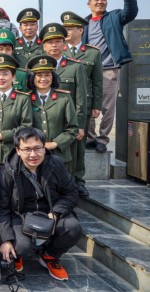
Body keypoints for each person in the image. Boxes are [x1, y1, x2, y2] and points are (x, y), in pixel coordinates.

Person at [0, 127, 82, 281]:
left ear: (44, 147)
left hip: (49, 213)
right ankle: (19, 254)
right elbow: (2, 208)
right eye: (27, 149)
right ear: (18, 150)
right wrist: (6, 240)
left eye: (38, 148)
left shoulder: (55, 164)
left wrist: (55, 213)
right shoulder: (8, 171)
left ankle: (49, 256)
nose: (33, 154)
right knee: (21, 247)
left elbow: (71, 192)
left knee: (73, 228)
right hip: (20, 216)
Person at [85, 0, 138, 154]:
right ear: (89, 4)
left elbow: (130, 12)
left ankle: (102, 139)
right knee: (88, 105)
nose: (101, 2)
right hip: (88, 72)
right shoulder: (83, 24)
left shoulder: (114, 17)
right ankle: (90, 138)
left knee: (107, 107)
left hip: (108, 69)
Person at [40, 23, 88, 184]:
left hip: (69, 121)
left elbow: (81, 98)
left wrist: (80, 125)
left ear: (64, 43)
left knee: (70, 157)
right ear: (44, 45)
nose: (54, 45)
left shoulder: (75, 67)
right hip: (45, 119)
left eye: (58, 41)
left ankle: (74, 184)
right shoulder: (34, 67)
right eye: (50, 42)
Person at [63, 11, 103, 196]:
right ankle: (63, 178)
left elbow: (97, 81)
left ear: (81, 30)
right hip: (60, 106)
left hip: (82, 106)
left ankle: (78, 180)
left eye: (70, 28)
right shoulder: (58, 51)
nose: (67, 31)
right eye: (65, 28)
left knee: (79, 144)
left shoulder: (92, 53)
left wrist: (96, 105)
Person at [26, 55, 79, 164]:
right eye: (39, 75)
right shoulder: (26, 99)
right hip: (33, 156)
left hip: (59, 155)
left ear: (53, 77)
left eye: (47, 75)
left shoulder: (64, 98)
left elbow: (73, 128)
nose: (43, 79)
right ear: (33, 78)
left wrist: (55, 143)